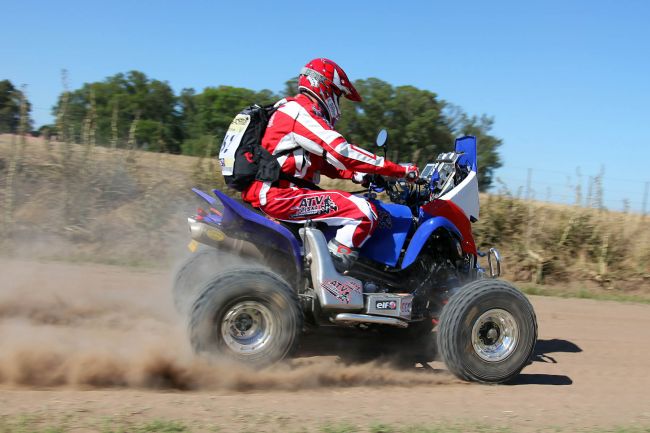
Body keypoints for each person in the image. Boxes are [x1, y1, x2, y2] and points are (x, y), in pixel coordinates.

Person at [242, 58, 418, 271]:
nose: (338, 103)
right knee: (364, 212)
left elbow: (323, 163)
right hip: (279, 196)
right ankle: (333, 276)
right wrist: (399, 170)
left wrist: (358, 175)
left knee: (347, 204)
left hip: (278, 194)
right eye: (338, 95)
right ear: (324, 87)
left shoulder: (292, 110)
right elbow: (341, 151)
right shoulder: (300, 112)